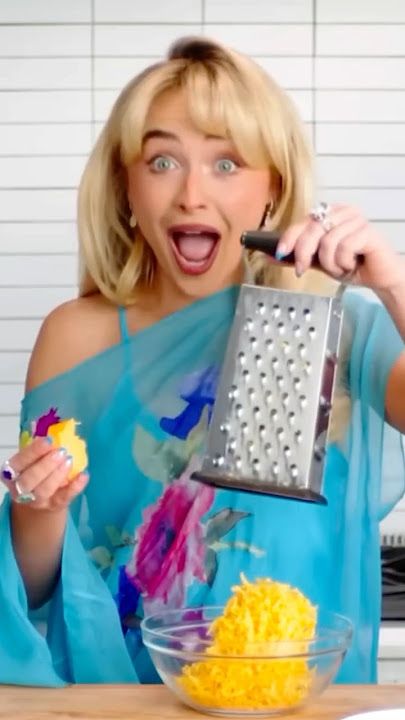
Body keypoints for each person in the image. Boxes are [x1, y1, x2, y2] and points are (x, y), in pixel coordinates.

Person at [0, 35, 405, 687]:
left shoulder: (342, 327)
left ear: (272, 190)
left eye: (226, 163)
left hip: (291, 696)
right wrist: (39, 506)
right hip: (124, 696)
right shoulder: (74, 337)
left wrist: (394, 284)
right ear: (126, 189)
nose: (190, 194)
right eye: (162, 161)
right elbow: (38, 585)